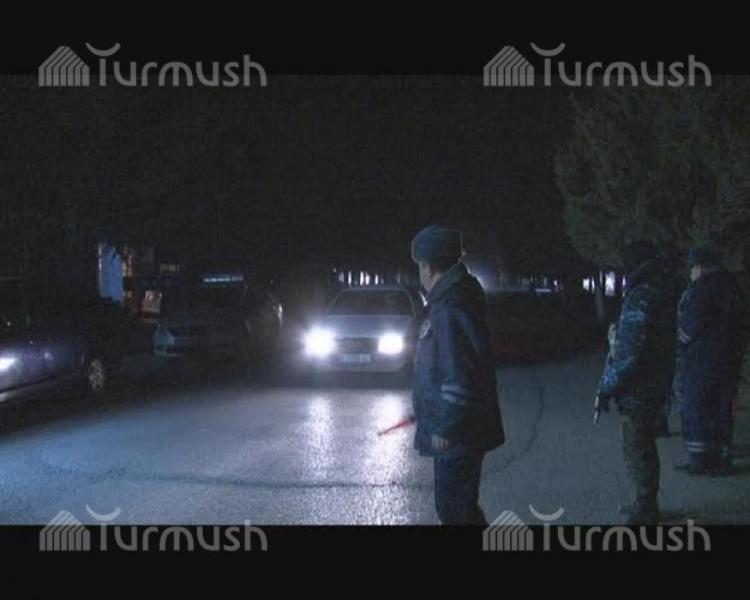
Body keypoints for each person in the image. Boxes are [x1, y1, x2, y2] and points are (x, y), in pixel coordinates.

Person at [410, 225, 505, 525]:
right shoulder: (452, 300)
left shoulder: (450, 307)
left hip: (459, 433)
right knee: (460, 509)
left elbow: (460, 376)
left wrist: (445, 426)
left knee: (454, 511)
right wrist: (425, 408)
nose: (419, 272)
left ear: (428, 267)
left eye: (419, 266)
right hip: (462, 427)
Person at [595, 241, 678, 525]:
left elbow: (628, 354)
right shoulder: (663, 289)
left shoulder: (642, 294)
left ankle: (646, 508)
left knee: (637, 445)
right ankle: (645, 502)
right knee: (643, 443)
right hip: (658, 378)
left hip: (641, 385)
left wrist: (606, 387)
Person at [674, 243, 749, 475]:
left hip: (701, 361)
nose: (691, 272)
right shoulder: (733, 286)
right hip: (729, 360)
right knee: (722, 410)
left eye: (693, 268)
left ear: (701, 267)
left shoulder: (701, 289)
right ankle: (721, 459)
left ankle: (700, 460)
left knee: (697, 408)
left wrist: (681, 341)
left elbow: (689, 326)